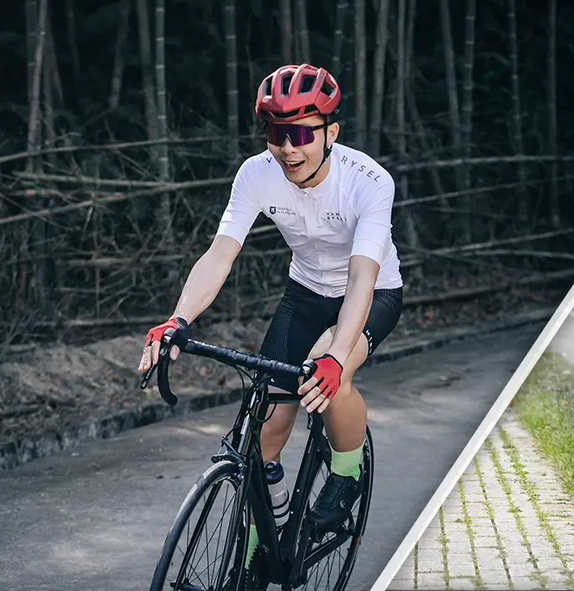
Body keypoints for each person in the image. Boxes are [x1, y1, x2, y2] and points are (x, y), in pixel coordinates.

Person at [136, 63, 402, 583]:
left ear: (331, 133)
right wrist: (177, 319)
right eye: (278, 134)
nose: (289, 148)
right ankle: (266, 540)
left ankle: (346, 474)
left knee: (333, 372)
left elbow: (363, 278)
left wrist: (333, 356)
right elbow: (219, 255)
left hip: (368, 293)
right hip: (303, 293)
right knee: (263, 432)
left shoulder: (369, 181)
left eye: (303, 133)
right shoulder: (256, 173)